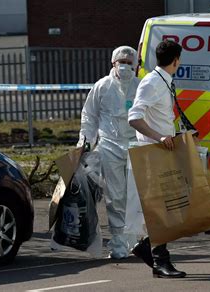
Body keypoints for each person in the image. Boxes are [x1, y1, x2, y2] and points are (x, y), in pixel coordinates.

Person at [128, 39, 186, 278]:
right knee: (162, 210)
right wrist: (160, 138)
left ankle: (150, 251)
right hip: (153, 153)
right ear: (176, 60)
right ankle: (160, 261)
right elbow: (134, 117)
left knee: (168, 210)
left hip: (163, 151)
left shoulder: (163, 81)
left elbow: (158, 116)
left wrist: (176, 134)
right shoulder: (152, 83)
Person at [77, 46, 140, 259]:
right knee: (115, 197)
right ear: (113, 63)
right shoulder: (102, 87)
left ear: (136, 64)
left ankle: (134, 242)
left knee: (134, 197)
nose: (125, 66)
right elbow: (90, 116)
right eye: (121, 61)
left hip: (135, 146)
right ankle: (118, 245)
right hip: (110, 146)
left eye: (129, 62)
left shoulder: (140, 87)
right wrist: (85, 142)